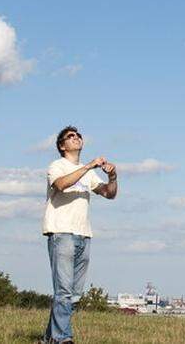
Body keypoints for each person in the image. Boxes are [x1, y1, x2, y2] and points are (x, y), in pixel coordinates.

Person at [42, 126, 118, 344]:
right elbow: (61, 184)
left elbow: (108, 194)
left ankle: (50, 338)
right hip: (61, 232)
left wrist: (112, 176)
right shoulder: (57, 166)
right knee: (64, 291)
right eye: (70, 136)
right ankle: (63, 339)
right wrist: (88, 166)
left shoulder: (89, 173)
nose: (76, 138)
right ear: (62, 146)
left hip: (83, 234)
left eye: (78, 135)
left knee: (74, 295)